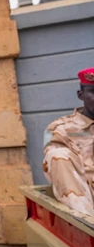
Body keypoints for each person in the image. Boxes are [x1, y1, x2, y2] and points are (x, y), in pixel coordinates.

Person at [43, 67, 94, 216]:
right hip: (85, 199)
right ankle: (87, 225)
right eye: (93, 92)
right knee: (57, 154)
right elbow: (56, 167)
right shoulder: (58, 129)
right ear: (81, 95)